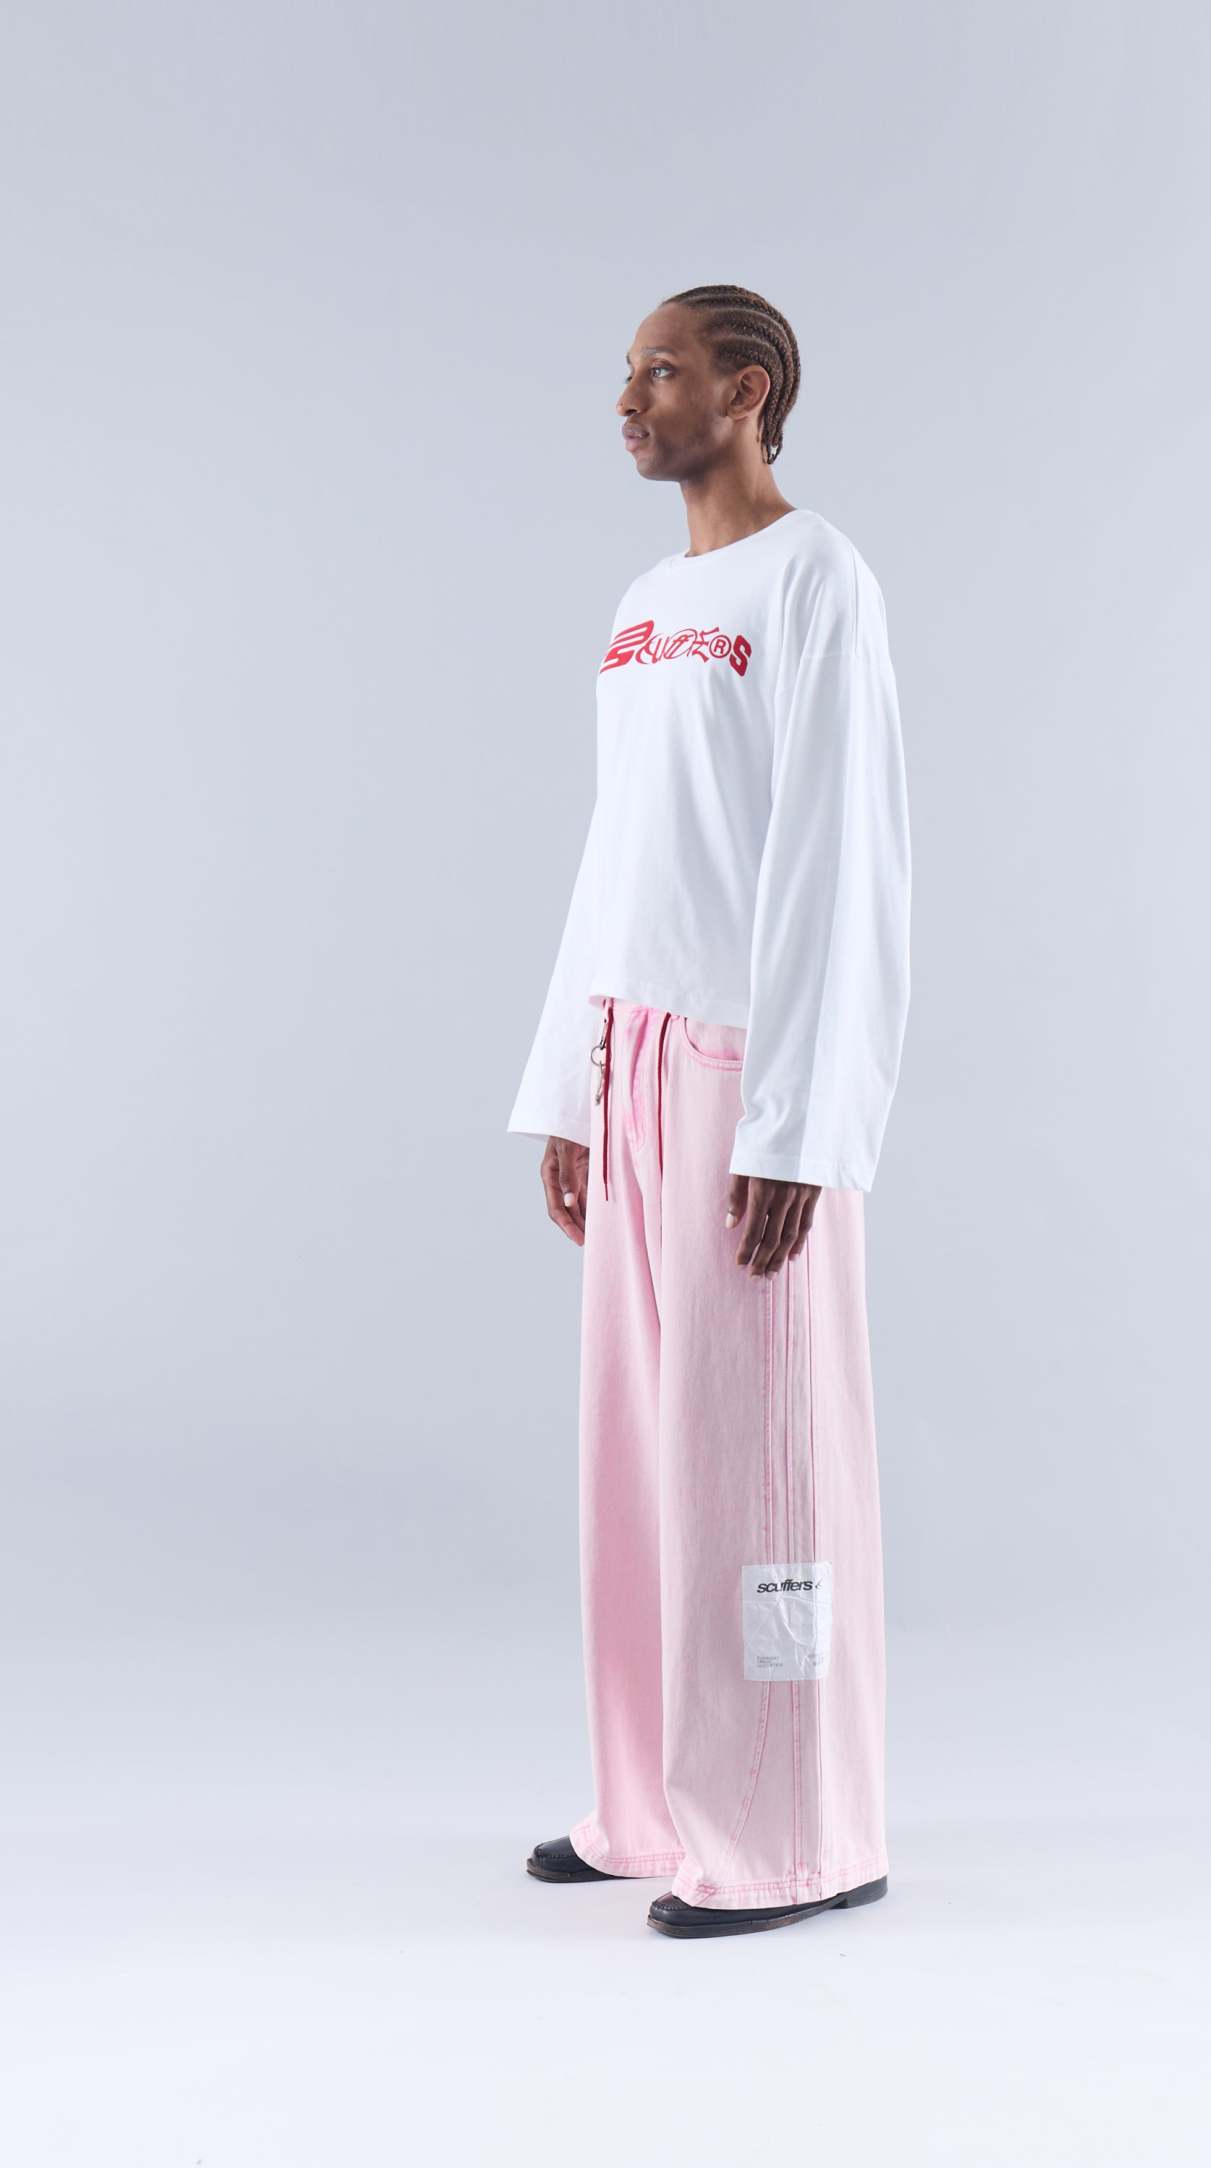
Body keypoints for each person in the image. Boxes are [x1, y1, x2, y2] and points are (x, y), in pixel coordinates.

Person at [506, 284, 911, 1939]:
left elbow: (840, 854)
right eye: (625, 373)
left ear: (745, 393)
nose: (628, 399)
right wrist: (568, 1084)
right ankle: (651, 1802)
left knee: (758, 1460)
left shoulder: (816, 578)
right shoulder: (644, 604)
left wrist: (802, 1123)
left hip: (747, 1069)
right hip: (632, 1056)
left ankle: (797, 1831)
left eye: (660, 372)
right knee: (639, 1454)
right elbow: (619, 848)